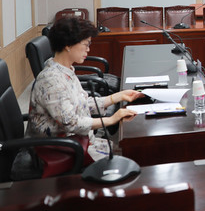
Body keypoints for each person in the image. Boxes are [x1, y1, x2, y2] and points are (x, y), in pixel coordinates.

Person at [27, 17, 142, 162]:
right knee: (131, 158)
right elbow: (71, 123)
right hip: (57, 152)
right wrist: (111, 119)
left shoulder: (65, 70)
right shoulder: (51, 79)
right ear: (68, 45)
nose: (88, 49)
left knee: (130, 154)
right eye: (86, 44)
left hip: (77, 142)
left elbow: (81, 104)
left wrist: (118, 97)